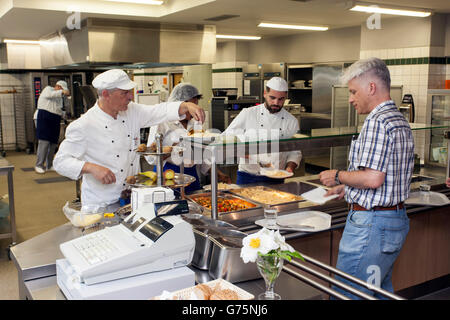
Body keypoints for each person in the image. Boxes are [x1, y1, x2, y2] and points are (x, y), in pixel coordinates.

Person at [319, 57, 415, 299]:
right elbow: (383, 177)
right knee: (377, 292)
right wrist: (347, 188)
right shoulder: (398, 119)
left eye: (353, 91)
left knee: (347, 293)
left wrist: (338, 175)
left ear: (371, 87)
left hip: (371, 226)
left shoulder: (377, 122)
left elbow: (373, 179)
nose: (350, 98)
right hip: (392, 221)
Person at [53, 69, 205, 211]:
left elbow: (158, 111)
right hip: (101, 203)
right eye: (124, 93)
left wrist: (185, 105)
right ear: (106, 94)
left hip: (133, 197)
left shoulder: (131, 111)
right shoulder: (84, 125)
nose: (130, 97)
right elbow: (60, 162)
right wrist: (91, 167)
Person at [146, 83, 231, 194]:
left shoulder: (195, 122)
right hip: (168, 175)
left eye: (195, 106)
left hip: (192, 176)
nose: (193, 111)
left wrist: (218, 174)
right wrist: (174, 148)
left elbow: (201, 154)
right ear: (179, 105)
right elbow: (150, 158)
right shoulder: (162, 122)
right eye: (191, 107)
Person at [222, 77, 301, 185]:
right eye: (272, 98)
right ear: (265, 93)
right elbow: (227, 136)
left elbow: (295, 151)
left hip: (277, 177)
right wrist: (241, 150)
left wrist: (289, 168)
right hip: (247, 176)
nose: (276, 103)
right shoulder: (248, 113)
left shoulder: (291, 121)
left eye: (281, 99)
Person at [34, 80, 70, 174]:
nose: (62, 93)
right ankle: (39, 165)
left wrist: (63, 114)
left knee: (53, 143)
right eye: (62, 90)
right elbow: (51, 95)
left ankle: (49, 165)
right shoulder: (48, 89)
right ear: (58, 87)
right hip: (44, 117)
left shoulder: (59, 97)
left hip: (55, 119)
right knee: (44, 142)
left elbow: (58, 108)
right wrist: (62, 92)